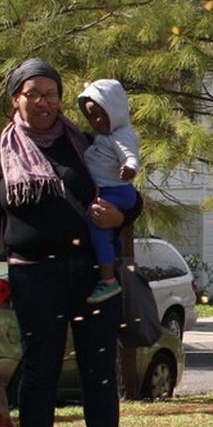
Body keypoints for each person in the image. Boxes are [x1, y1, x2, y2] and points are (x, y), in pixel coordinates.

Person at [0, 57, 141, 427]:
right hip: (32, 275)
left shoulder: (83, 143)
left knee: (99, 378)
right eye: (34, 94)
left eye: (51, 94)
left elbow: (128, 194)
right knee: (39, 379)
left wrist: (124, 216)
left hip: (90, 275)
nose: (44, 103)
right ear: (15, 99)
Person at [74, 78, 142, 304]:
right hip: (109, 189)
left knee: (98, 227)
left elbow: (130, 156)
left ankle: (108, 279)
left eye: (101, 114)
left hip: (116, 191)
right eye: (91, 116)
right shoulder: (103, 138)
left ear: (115, 110)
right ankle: (113, 260)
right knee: (106, 232)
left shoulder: (121, 135)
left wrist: (129, 169)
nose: (96, 121)